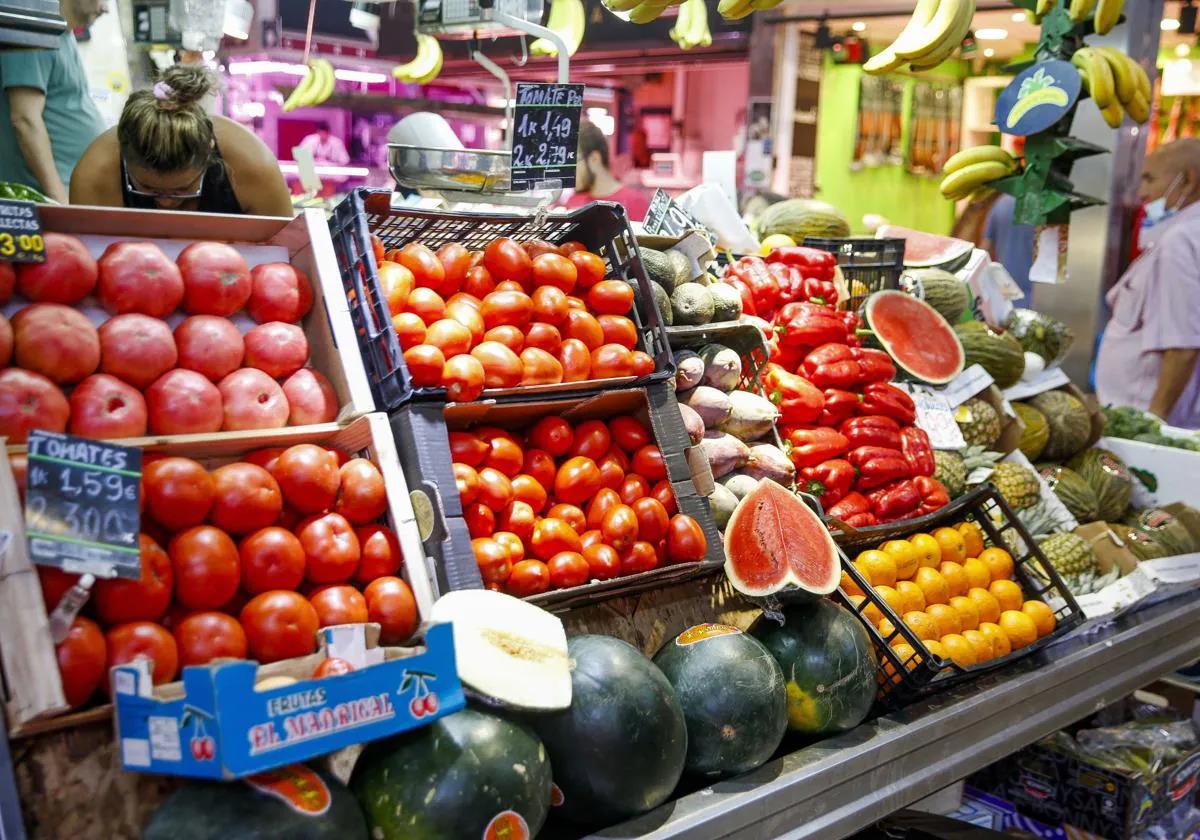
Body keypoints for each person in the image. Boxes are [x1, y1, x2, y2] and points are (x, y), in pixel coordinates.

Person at [70, 65, 293, 216]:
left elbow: (282, 255)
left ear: (209, 152)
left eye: (183, 189)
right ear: (124, 159)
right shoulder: (95, 175)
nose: (165, 203)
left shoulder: (255, 167)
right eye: (147, 188)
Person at [1096, 139, 1200, 426]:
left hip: (1141, 415)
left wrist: (1154, 424)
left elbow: (1183, 347)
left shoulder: (1180, 242)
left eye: (1150, 179)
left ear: (1187, 180)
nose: (1142, 192)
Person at [0, 0, 108, 202]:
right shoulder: (33, 30)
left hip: (70, 190)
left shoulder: (62, 34)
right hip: (45, 198)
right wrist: (59, 200)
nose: (106, 8)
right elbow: (25, 120)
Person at [564, 120, 651, 221]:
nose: (568, 171)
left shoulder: (634, 202)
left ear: (594, 159)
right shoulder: (573, 203)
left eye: (573, 161)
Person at [981, 192, 1036, 299]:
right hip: (1032, 288)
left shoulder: (1000, 204)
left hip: (1004, 283)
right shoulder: (1038, 206)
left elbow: (985, 248)